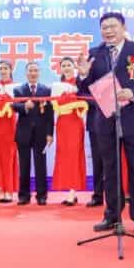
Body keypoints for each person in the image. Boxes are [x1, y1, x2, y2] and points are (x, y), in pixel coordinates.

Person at [76, 12, 134, 234]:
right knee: (109, 169)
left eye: (112, 26)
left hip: (132, 118)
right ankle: (111, 215)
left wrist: (133, 92)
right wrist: (83, 76)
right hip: (104, 120)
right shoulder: (95, 53)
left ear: (123, 27)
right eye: (104, 27)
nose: (108, 31)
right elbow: (84, 89)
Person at [14, 62, 53, 205]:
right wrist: (24, 106)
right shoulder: (19, 89)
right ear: (26, 73)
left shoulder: (46, 90)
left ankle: (41, 196)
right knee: (24, 166)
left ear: (39, 72)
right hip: (23, 133)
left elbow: (50, 113)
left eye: (35, 70)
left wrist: (50, 134)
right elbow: (14, 105)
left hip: (41, 133)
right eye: (30, 70)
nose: (33, 73)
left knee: (40, 165)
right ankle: (24, 196)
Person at [52, 57, 87, 205]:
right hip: (62, 123)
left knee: (74, 155)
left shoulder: (80, 82)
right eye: (64, 65)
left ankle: (73, 192)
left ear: (74, 67)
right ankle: (69, 191)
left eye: (69, 65)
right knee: (64, 155)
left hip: (75, 122)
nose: (66, 68)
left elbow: (85, 100)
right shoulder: (57, 86)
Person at [0, 60, 19, 203]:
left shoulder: (16, 87)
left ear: (10, 70)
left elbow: (19, 105)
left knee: (8, 157)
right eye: (0, 68)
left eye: (5, 68)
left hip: (9, 124)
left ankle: (9, 190)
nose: (2, 71)